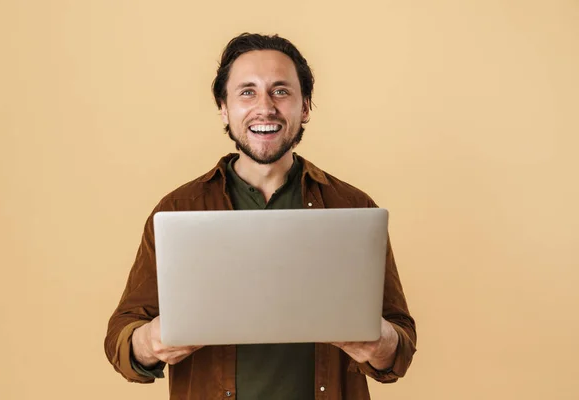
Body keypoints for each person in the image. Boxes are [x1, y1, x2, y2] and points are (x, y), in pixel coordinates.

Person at [104, 32, 417, 400]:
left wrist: (374, 343)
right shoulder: (178, 209)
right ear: (224, 107)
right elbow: (120, 340)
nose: (265, 107)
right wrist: (153, 342)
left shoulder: (352, 206)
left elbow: (400, 347)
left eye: (281, 91)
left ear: (304, 108)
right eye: (247, 92)